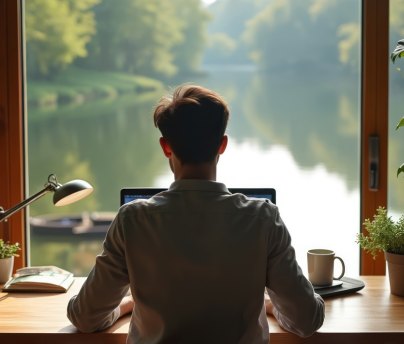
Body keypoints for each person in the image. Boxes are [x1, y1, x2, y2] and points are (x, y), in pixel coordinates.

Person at [67, 84, 325, 343]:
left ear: (166, 147)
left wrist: (126, 305)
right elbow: (306, 320)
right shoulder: (264, 219)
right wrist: (270, 305)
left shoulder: (131, 220)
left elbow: (85, 318)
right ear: (222, 145)